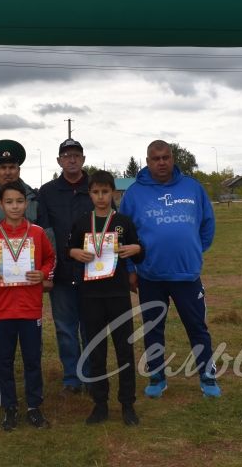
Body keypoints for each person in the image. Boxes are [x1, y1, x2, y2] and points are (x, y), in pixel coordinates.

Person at [119, 140, 220, 398]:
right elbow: (124, 234)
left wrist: (194, 249)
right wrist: (131, 267)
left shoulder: (192, 187)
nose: (161, 162)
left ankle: (207, 375)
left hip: (187, 275)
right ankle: (157, 376)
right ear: (147, 161)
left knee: (197, 326)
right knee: (153, 328)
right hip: (150, 276)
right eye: (156, 158)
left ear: (172, 158)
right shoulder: (134, 193)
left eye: (166, 157)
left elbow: (207, 224)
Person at [0, 139, 51, 407]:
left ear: (19, 168)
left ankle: (32, 395)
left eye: (12, 166)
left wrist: (46, 274)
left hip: (29, 288)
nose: (8, 171)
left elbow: (46, 237)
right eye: (2, 167)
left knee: (31, 345)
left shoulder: (35, 198)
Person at [68, 170, 144, 425]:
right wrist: (75, 252)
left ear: (113, 193)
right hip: (90, 295)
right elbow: (69, 251)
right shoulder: (81, 222)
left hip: (118, 294)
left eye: (105, 192)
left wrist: (137, 248)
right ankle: (100, 404)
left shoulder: (123, 221)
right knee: (96, 351)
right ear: (89, 193)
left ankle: (127, 404)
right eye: (95, 192)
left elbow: (138, 253)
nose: (101, 197)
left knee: (124, 349)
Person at [0, 181, 56, 431]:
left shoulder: (36, 232)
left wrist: (42, 273)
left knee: (32, 359)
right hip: (2, 308)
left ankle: (34, 407)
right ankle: (9, 408)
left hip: (30, 307)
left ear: (27, 204)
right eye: (9, 202)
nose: (15, 206)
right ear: (1, 204)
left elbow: (49, 258)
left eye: (19, 202)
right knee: (4, 360)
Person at [36, 138, 91, 394]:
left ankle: (91, 374)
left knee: (91, 326)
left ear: (83, 159)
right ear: (59, 160)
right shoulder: (46, 192)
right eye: (66, 155)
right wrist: (48, 270)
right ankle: (71, 377)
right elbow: (43, 233)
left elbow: (109, 227)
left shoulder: (95, 187)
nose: (71, 159)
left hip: (92, 271)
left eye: (76, 155)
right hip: (61, 273)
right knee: (65, 328)